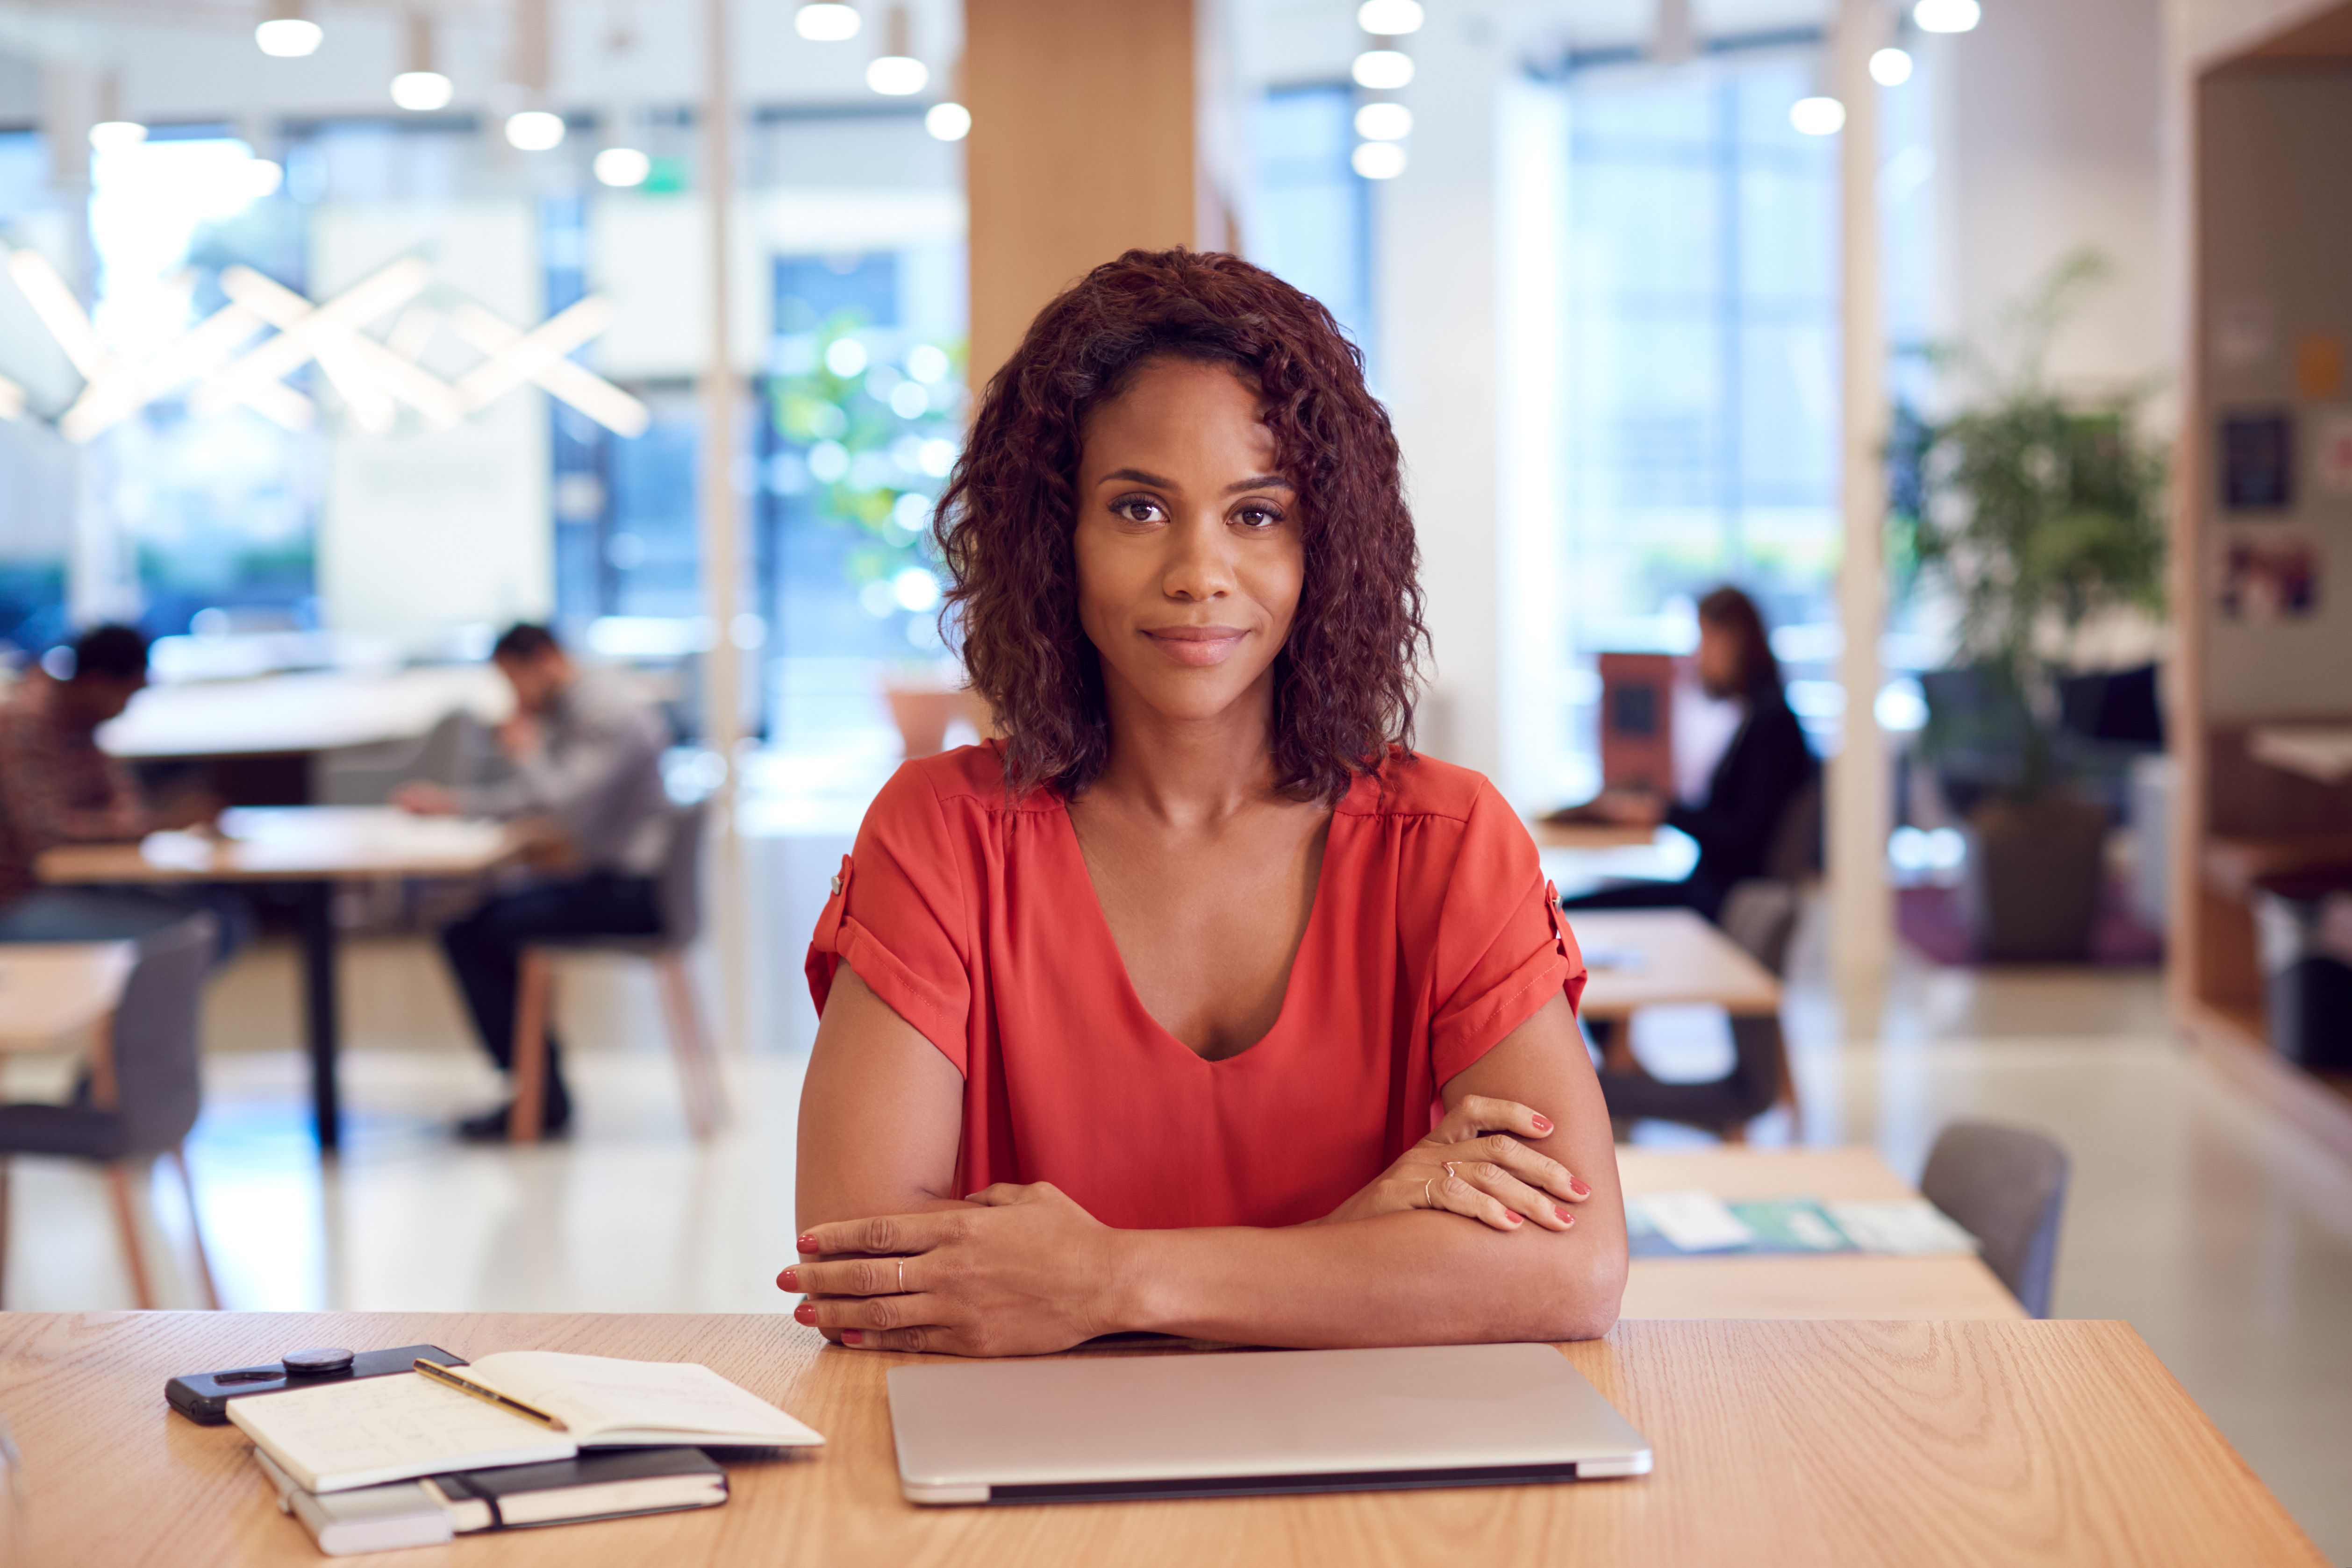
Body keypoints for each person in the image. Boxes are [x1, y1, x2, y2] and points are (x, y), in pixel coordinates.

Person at [785, 249, 1626, 1359]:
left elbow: (1569, 1267)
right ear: (1057, 539)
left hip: (1373, 1490)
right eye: (1139, 508)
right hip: (1030, 1491)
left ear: (1327, 545)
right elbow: (864, 1266)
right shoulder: (944, 835)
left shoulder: (1450, 845)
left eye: (1258, 514)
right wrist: (1357, 1246)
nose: (1198, 572)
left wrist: (1106, 1279)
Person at [395, 623, 672, 1140]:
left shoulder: (605, 711)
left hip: (634, 892)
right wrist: (457, 805)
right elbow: (541, 797)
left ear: (542, 660)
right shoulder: (579, 707)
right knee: (475, 922)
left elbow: (560, 802)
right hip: (615, 879)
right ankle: (539, 1091)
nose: (513, 698)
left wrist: (525, 749)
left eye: (512, 680)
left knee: (476, 932)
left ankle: (540, 1097)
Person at [1558, 586, 1818, 922]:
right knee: (1571, 905)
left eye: (1704, 640)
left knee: (1568, 911)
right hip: (1712, 889)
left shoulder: (1771, 724)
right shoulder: (1758, 715)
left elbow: (1743, 837)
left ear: (1733, 639)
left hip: (1723, 899)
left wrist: (1664, 813)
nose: (1697, 657)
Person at [0, 624, 230, 945]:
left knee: (223, 917)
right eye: (128, 694)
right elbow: (46, 832)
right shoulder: (24, 724)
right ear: (98, 684)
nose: (126, 708)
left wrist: (147, 820)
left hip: (78, 886)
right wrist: (161, 822)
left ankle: (150, 995)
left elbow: (123, 802)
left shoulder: (83, 722)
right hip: (18, 900)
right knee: (195, 936)